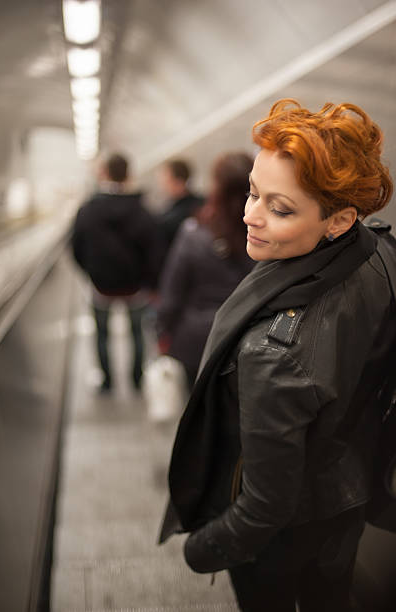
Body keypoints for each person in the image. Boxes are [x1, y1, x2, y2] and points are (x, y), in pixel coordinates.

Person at [159, 99, 395, 612]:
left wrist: (203, 548)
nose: (250, 216)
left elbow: (265, 506)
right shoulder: (380, 252)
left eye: (279, 208)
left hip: (284, 536)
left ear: (339, 220)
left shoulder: (273, 353)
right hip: (348, 494)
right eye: (252, 192)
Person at [157, 152, 254, 388]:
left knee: (199, 405)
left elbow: (173, 293)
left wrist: (163, 330)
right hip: (247, 338)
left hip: (196, 341)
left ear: (216, 187)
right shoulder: (261, 233)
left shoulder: (194, 233)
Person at [72, 153, 164, 392]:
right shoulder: (142, 210)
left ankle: (107, 382)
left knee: (102, 335)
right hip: (135, 287)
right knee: (137, 333)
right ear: (128, 174)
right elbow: (154, 251)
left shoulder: (89, 209)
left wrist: (91, 272)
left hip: (101, 286)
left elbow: (75, 245)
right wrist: (149, 282)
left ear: (104, 173)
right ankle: (137, 380)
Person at [157, 159, 204, 250]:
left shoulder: (169, 220)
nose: (162, 185)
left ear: (178, 181)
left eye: (165, 180)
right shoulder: (202, 200)